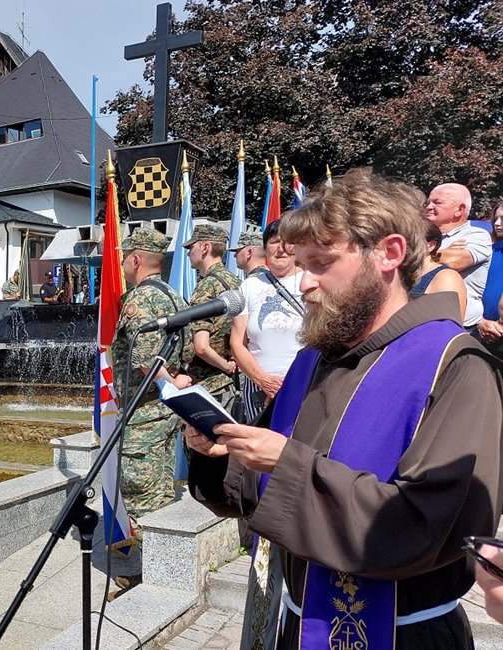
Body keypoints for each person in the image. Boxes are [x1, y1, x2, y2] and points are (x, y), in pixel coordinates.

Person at [186, 169, 503, 649]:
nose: (304, 284)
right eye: (300, 265)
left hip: (404, 634)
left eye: (321, 264)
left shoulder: (456, 365)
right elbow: (263, 485)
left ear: (389, 253)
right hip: (301, 624)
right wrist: (221, 454)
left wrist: (286, 462)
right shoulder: (313, 359)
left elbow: (430, 525)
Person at [110, 227, 192, 517]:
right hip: (166, 410)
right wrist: (178, 379)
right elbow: (188, 348)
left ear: (135, 260)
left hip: (143, 411)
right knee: (162, 493)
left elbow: (147, 361)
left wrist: (169, 383)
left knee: (141, 499)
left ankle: (148, 547)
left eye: (124, 258)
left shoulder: (140, 300)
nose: (122, 264)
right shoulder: (173, 295)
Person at [229, 220, 305, 423]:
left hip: (304, 384)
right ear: (265, 248)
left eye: (287, 242)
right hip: (258, 388)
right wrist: (264, 381)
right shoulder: (250, 286)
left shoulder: (310, 282)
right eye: (274, 242)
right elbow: (237, 343)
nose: (280, 249)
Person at [183, 224, 241, 414]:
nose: (188, 253)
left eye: (191, 247)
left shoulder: (207, 286)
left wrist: (226, 367)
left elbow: (201, 347)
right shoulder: (236, 282)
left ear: (205, 248)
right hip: (231, 383)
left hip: (209, 384)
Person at [425, 183, 491, 330]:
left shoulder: (477, 235)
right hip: (423, 322)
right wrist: (444, 251)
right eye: (428, 202)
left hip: (462, 328)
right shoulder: (421, 236)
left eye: (437, 202)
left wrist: (422, 253)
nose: (429, 207)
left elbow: (453, 262)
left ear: (459, 210)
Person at [411, 219, 467, 320]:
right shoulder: (400, 275)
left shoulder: (446, 278)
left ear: (430, 245)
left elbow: (449, 326)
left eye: (409, 241)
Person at [476, 201, 503, 354]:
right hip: (483, 329)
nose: (497, 224)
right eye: (495, 219)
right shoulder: (487, 251)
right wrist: (481, 322)